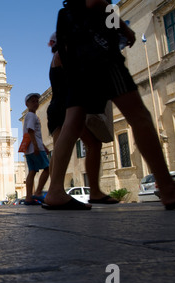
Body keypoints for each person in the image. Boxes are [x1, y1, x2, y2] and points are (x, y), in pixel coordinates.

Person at [43, 0, 175, 210]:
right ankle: (167, 187)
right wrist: (123, 27)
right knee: (138, 115)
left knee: (73, 122)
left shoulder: (65, 16)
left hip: (77, 46)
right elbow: (97, 2)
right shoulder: (102, 13)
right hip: (99, 49)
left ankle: (56, 191)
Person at [46, 32, 118, 207]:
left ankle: (84, 191)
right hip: (66, 107)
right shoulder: (63, 55)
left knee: (85, 144)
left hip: (59, 107)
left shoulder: (58, 56)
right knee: (91, 144)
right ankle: (60, 191)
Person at [22, 93, 50, 206]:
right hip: (35, 147)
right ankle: (38, 192)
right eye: (32, 101)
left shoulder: (29, 116)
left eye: (36, 101)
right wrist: (37, 146)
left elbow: (34, 133)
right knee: (48, 168)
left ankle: (29, 198)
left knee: (32, 171)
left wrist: (43, 146)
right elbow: (30, 131)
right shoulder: (31, 116)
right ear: (27, 104)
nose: (35, 103)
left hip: (29, 149)